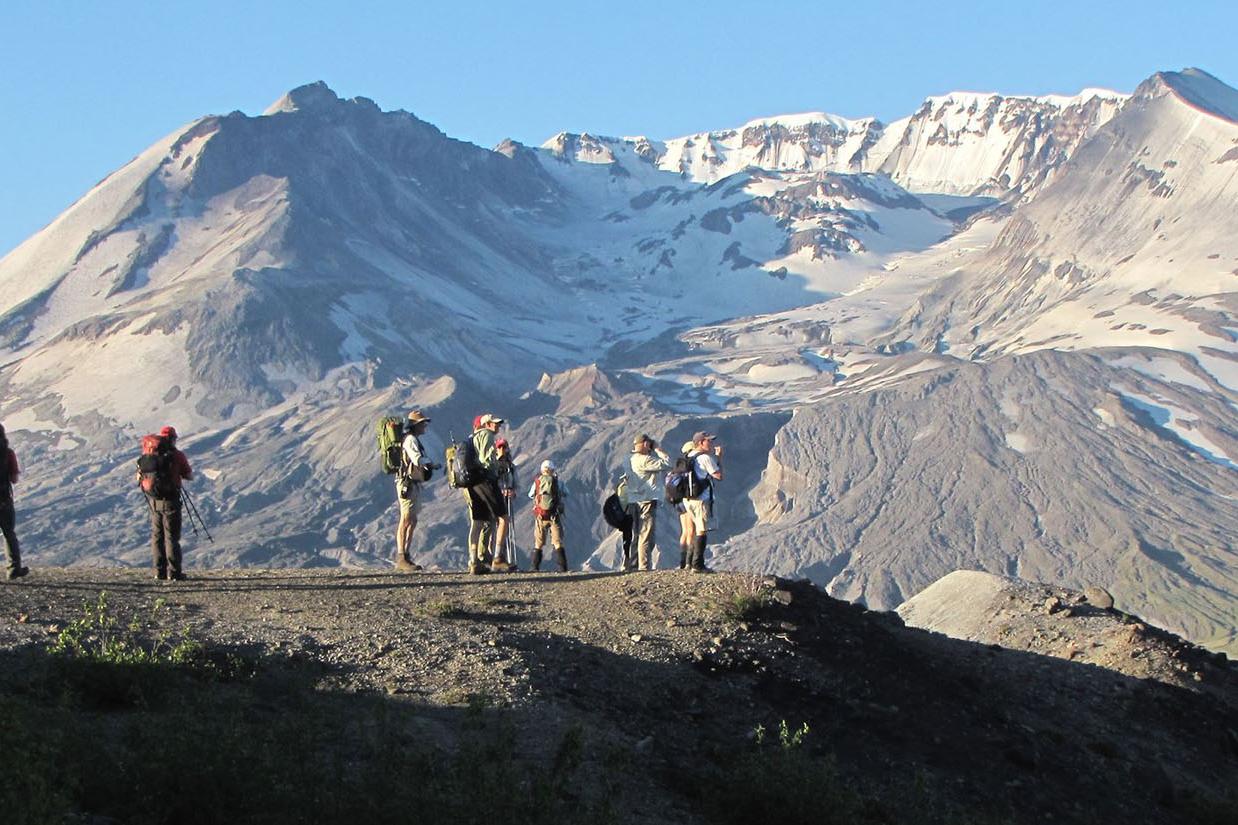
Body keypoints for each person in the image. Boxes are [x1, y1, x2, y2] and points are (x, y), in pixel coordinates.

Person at [136, 425, 194, 581]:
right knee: (171, 538)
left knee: (157, 536)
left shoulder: (149, 454)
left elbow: (141, 476)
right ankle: (174, 573)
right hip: (171, 501)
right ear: (173, 439)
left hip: (154, 501)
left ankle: (158, 572)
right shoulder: (177, 456)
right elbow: (189, 476)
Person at [464, 413, 507, 574]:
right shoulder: (487, 436)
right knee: (503, 518)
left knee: (478, 521)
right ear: (487, 424)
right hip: (486, 481)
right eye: (495, 423)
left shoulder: (472, 438)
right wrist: (499, 461)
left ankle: (474, 561)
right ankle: (498, 558)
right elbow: (487, 460)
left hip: (473, 483)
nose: (498, 426)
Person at [394, 410, 433, 572]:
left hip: (412, 483)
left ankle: (406, 555)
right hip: (407, 484)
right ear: (416, 425)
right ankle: (402, 556)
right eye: (422, 423)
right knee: (406, 518)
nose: (425, 426)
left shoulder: (413, 439)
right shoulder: (410, 440)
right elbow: (416, 458)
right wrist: (429, 462)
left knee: (412, 519)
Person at [627, 433, 671, 571]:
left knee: (638, 533)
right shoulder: (645, 460)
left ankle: (632, 565)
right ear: (646, 444)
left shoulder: (633, 458)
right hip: (646, 500)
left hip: (635, 499)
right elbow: (667, 463)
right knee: (646, 534)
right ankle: (644, 566)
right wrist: (658, 450)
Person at [684, 431, 724, 573]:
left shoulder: (689, 456)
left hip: (688, 499)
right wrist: (719, 458)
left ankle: (689, 562)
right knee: (701, 531)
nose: (711, 444)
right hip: (701, 499)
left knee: (696, 529)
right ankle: (697, 565)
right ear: (701, 442)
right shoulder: (706, 458)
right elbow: (719, 476)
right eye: (709, 441)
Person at [527, 459, 568, 572]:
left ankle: (534, 567)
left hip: (541, 515)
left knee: (538, 542)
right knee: (557, 541)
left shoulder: (537, 482)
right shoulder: (557, 482)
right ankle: (562, 567)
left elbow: (530, 495)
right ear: (553, 470)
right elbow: (566, 493)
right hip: (554, 515)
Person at [0, 425, 28, 580]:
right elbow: (14, 479)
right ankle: (13, 569)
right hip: (4, 499)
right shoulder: (8, 453)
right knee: (9, 533)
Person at [491, 438, 518, 571]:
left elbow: (516, 482)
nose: (502, 450)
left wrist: (513, 491)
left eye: (504, 447)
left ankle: (502, 557)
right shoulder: (493, 464)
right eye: (500, 447)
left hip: (507, 499)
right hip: (496, 498)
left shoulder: (511, 466)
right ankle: (494, 557)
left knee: (504, 528)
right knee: (495, 527)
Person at [675, 440, 699, 570]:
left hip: (678, 501)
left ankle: (682, 561)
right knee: (691, 531)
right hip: (687, 500)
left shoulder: (680, 466)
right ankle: (688, 562)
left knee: (684, 531)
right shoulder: (692, 465)